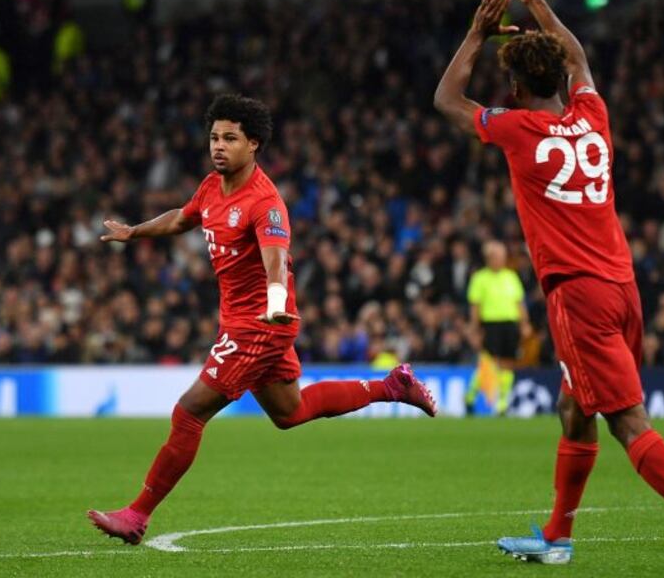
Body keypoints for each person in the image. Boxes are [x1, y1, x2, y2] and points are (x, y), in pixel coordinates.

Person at [433, 0, 664, 569]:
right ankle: (557, 536)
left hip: (578, 295)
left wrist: (475, 33)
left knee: (627, 421)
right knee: (574, 408)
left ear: (518, 87)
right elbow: (576, 56)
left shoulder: (518, 129)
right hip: (623, 286)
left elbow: (447, 100)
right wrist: (536, 1)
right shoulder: (591, 116)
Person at [87, 94, 437, 545]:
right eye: (214, 137)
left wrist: (274, 305)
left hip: (261, 323)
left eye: (230, 138)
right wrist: (135, 232)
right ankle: (392, 386)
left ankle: (137, 514)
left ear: (253, 144)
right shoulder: (212, 187)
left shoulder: (264, 202)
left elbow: (276, 262)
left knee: (189, 411)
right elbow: (181, 219)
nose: (218, 146)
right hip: (244, 321)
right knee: (290, 413)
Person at [465, 240, 530, 415]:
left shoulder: (511, 276)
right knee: (489, 363)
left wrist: (524, 323)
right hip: (491, 325)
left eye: (503, 257)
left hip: (510, 324)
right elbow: (475, 306)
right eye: (498, 257)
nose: (501, 260)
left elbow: (519, 303)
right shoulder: (480, 278)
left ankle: (502, 403)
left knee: (508, 362)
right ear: (489, 258)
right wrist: (475, 328)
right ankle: (471, 395)